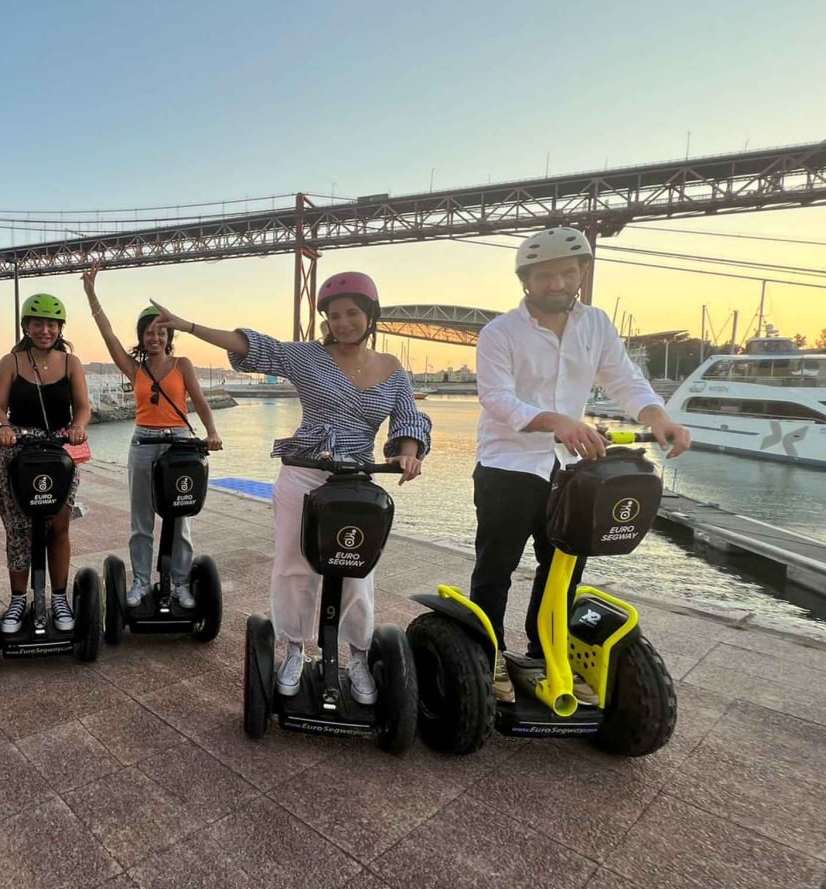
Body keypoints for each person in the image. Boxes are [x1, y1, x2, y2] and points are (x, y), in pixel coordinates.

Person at [149, 272, 430, 705]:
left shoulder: (392, 369)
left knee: (358, 575)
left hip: (357, 481)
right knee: (294, 566)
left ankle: (356, 655)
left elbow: (408, 418)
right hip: (304, 473)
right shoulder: (308, 357)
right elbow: (255, 347)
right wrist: (186, 326)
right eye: (335, 315)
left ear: (370, 315)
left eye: (352, 313)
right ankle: (295, 648)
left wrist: (408, 452)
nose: (343, 322)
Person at [472, 226, 691, 699]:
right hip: (507, 466)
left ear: (581, 274)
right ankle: (485, 659)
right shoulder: (500, 332)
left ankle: (541, 654)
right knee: (496, 567)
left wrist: (658, 417)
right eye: (545, 275)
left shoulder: (596, 325)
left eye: (566, 273)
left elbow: (625, 380)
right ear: (525, 280)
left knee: (565, 568)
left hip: (568, 469)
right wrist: (558, 422)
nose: (556, 283)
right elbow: (497, 400)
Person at [82, 265, 222, 610]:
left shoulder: (183, 364)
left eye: (161, 333)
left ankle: (179, 582)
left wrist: (213, 432)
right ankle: (142, 581)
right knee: (141, 519)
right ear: (142, 337)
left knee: (180, 520)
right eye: (149, 333)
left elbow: (200, 404)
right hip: (143, 443)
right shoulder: (135, 369)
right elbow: (109, 336)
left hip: (178, 444)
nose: (155, 338)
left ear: (168, 337)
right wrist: (91, 294)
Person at [0, 292, 93, 634]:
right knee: (18, 530)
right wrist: (2, 427)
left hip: (58, 451)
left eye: (51, 323)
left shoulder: (70, 363)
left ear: (60, 327)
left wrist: (78, 427)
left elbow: (83, 407)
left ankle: (59, 597)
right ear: (26, 326)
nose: (45, 330)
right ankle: (19, 599)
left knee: (58, 526)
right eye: (38, 323)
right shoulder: (12, 362)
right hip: (19, 451)